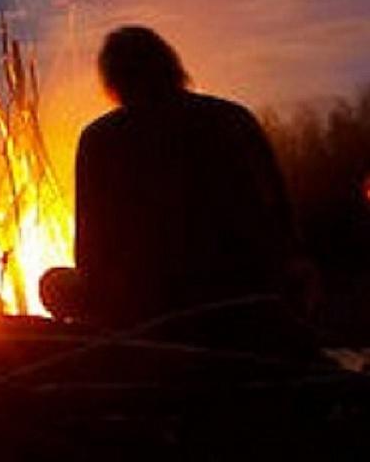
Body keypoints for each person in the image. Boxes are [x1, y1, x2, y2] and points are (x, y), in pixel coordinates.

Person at [40, 26, 302, 330]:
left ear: (113, 80)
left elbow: (91, 249)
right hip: (247, 292)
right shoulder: (234, 118)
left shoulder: (100, 138)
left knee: (54, 283)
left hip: (145, 306)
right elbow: (280, 213)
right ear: (171, 66)